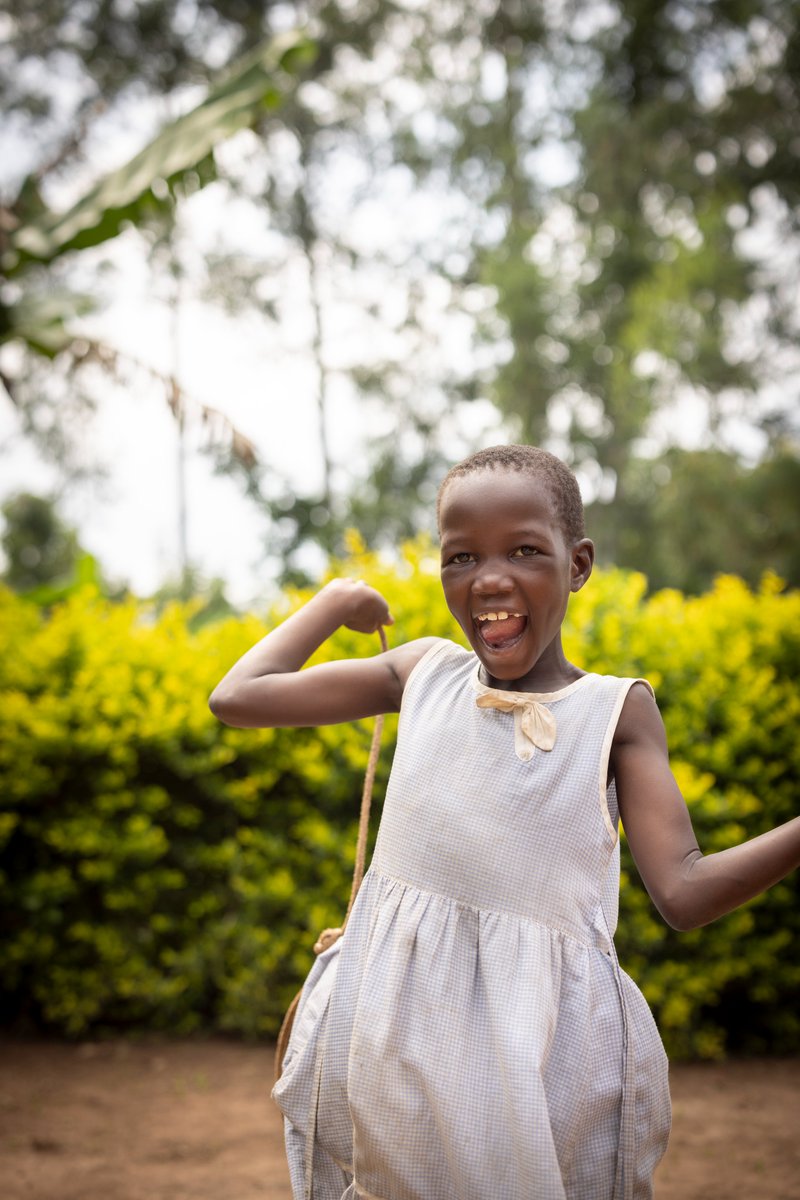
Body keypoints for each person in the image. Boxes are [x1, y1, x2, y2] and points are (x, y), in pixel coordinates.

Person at [209, 444, 800, 1200]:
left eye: (524, 550)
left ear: (577, 563)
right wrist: (335, 600)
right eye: (460, 557)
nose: (488, 577)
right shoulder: (422, 674)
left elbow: (684, 894)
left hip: (538, 1060)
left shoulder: (614, 713)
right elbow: (239, 697)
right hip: (394, 1037)